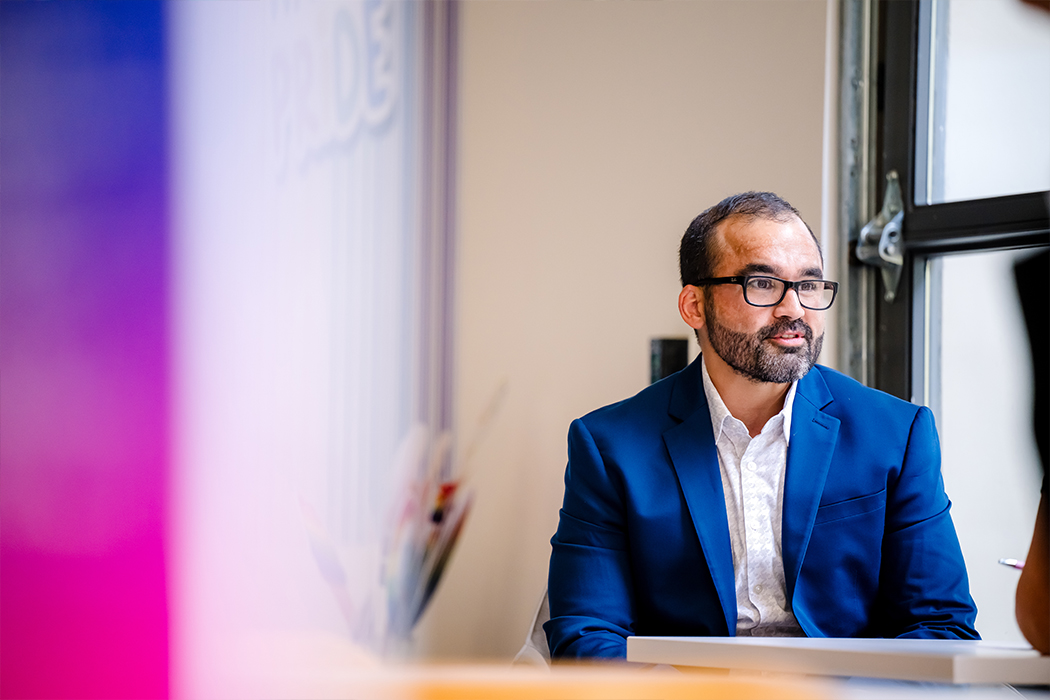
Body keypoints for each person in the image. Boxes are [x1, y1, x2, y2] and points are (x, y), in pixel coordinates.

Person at [545, 192, 979, 660]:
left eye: (809, 285)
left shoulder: (898, 433)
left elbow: (940, 624)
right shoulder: (610, 446)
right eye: (763, 283)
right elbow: (586, 632)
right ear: (694, 305)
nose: (794, 309)